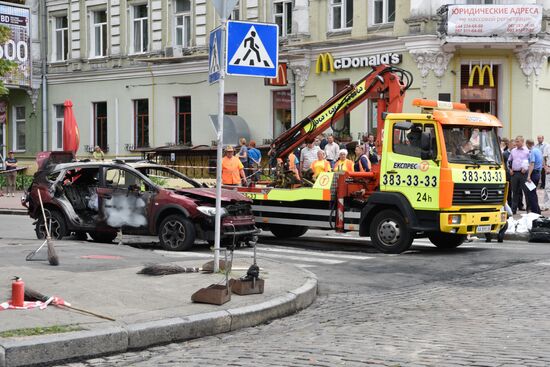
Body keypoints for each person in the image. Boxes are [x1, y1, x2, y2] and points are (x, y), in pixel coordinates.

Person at [508, 136, 530, 214]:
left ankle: (529, 209)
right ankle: (513, 210)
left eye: (517, 141)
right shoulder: (513, 151)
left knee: (526, 191)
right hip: (514, 174)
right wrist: (510, 169)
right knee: (515, 192)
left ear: (522, 142)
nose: (516, 143)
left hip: (523, 174)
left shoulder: (527, 151)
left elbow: (530, 162)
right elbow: (509, 161)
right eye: (515, 141)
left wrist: (526, 168)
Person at [526, 139, 542, 214]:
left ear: (528, 144)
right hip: (538, 173)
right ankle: (538, 211)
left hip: (533, 173)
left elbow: (532, 164)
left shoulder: (532, 151)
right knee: (533, 193)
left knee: (531, 193)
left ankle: (535, 211)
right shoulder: (538, 150)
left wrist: (528, 176)